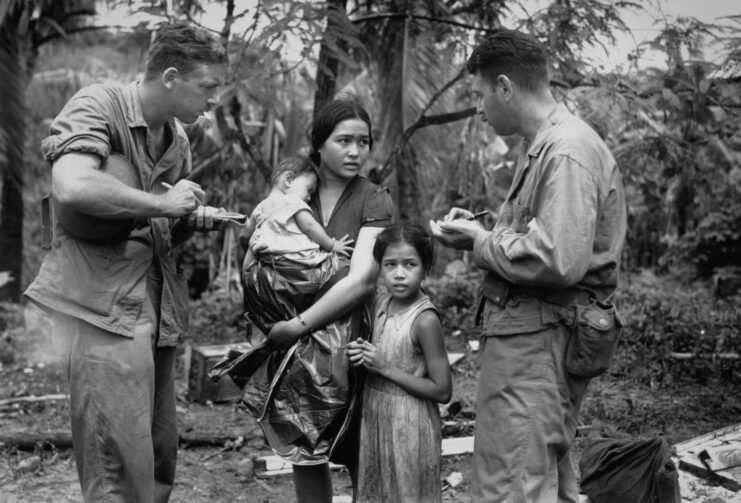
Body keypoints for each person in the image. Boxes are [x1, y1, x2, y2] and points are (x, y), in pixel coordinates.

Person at [24, 22, 227, 502]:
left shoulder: (177, 139)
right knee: (116, 466)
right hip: (101, 309)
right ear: (172, 76)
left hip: (156, 306)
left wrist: (188, 217)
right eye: (210, 86)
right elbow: (71, 186)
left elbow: (158, 220)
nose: (215, 99)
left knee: (157, 460)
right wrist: (162, 205)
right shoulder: (99, 103)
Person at [430, 29, 627, 502]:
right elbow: (536, 235)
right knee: (541, 478)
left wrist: (480, 242)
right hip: (532, 336)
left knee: (510, 483)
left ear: (504, 86)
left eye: (480, 95)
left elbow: (556, 259)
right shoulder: (540, 144)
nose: (479, 108)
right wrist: (478, 234)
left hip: (539, 342)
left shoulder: (566, 151)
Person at [263, 98, 395, 502]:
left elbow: (361, 281)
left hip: (353, 342)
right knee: (305, 449)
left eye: (363, 141)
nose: (356, 151)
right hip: (293, 346)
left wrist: (297, 326)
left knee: (362, 450)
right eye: (344, 141)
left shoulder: (373, 200)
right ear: (319, 144)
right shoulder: (292, 193)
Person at [347, 223, 452, 503]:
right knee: (378, 491)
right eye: (390, 264)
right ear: (379, 268)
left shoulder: (425, 319)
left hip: (411, 424)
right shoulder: (381, 304)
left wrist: (384, 367)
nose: (399, 273)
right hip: (375, 415)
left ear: (426, 268)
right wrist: (363, 355)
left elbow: (442, 390)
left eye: (410, 264)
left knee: (408, 493)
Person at [238, 155, 353, 283]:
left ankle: (247, 280)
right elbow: (310, 226)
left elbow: (245, 236)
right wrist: (332, 245)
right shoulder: (292, 200)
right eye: (309, 190)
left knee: (253, 247)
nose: (309, 198)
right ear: (289, 180)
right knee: (343, 268)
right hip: (297, 268)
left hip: (268, 273)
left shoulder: (259, 208)